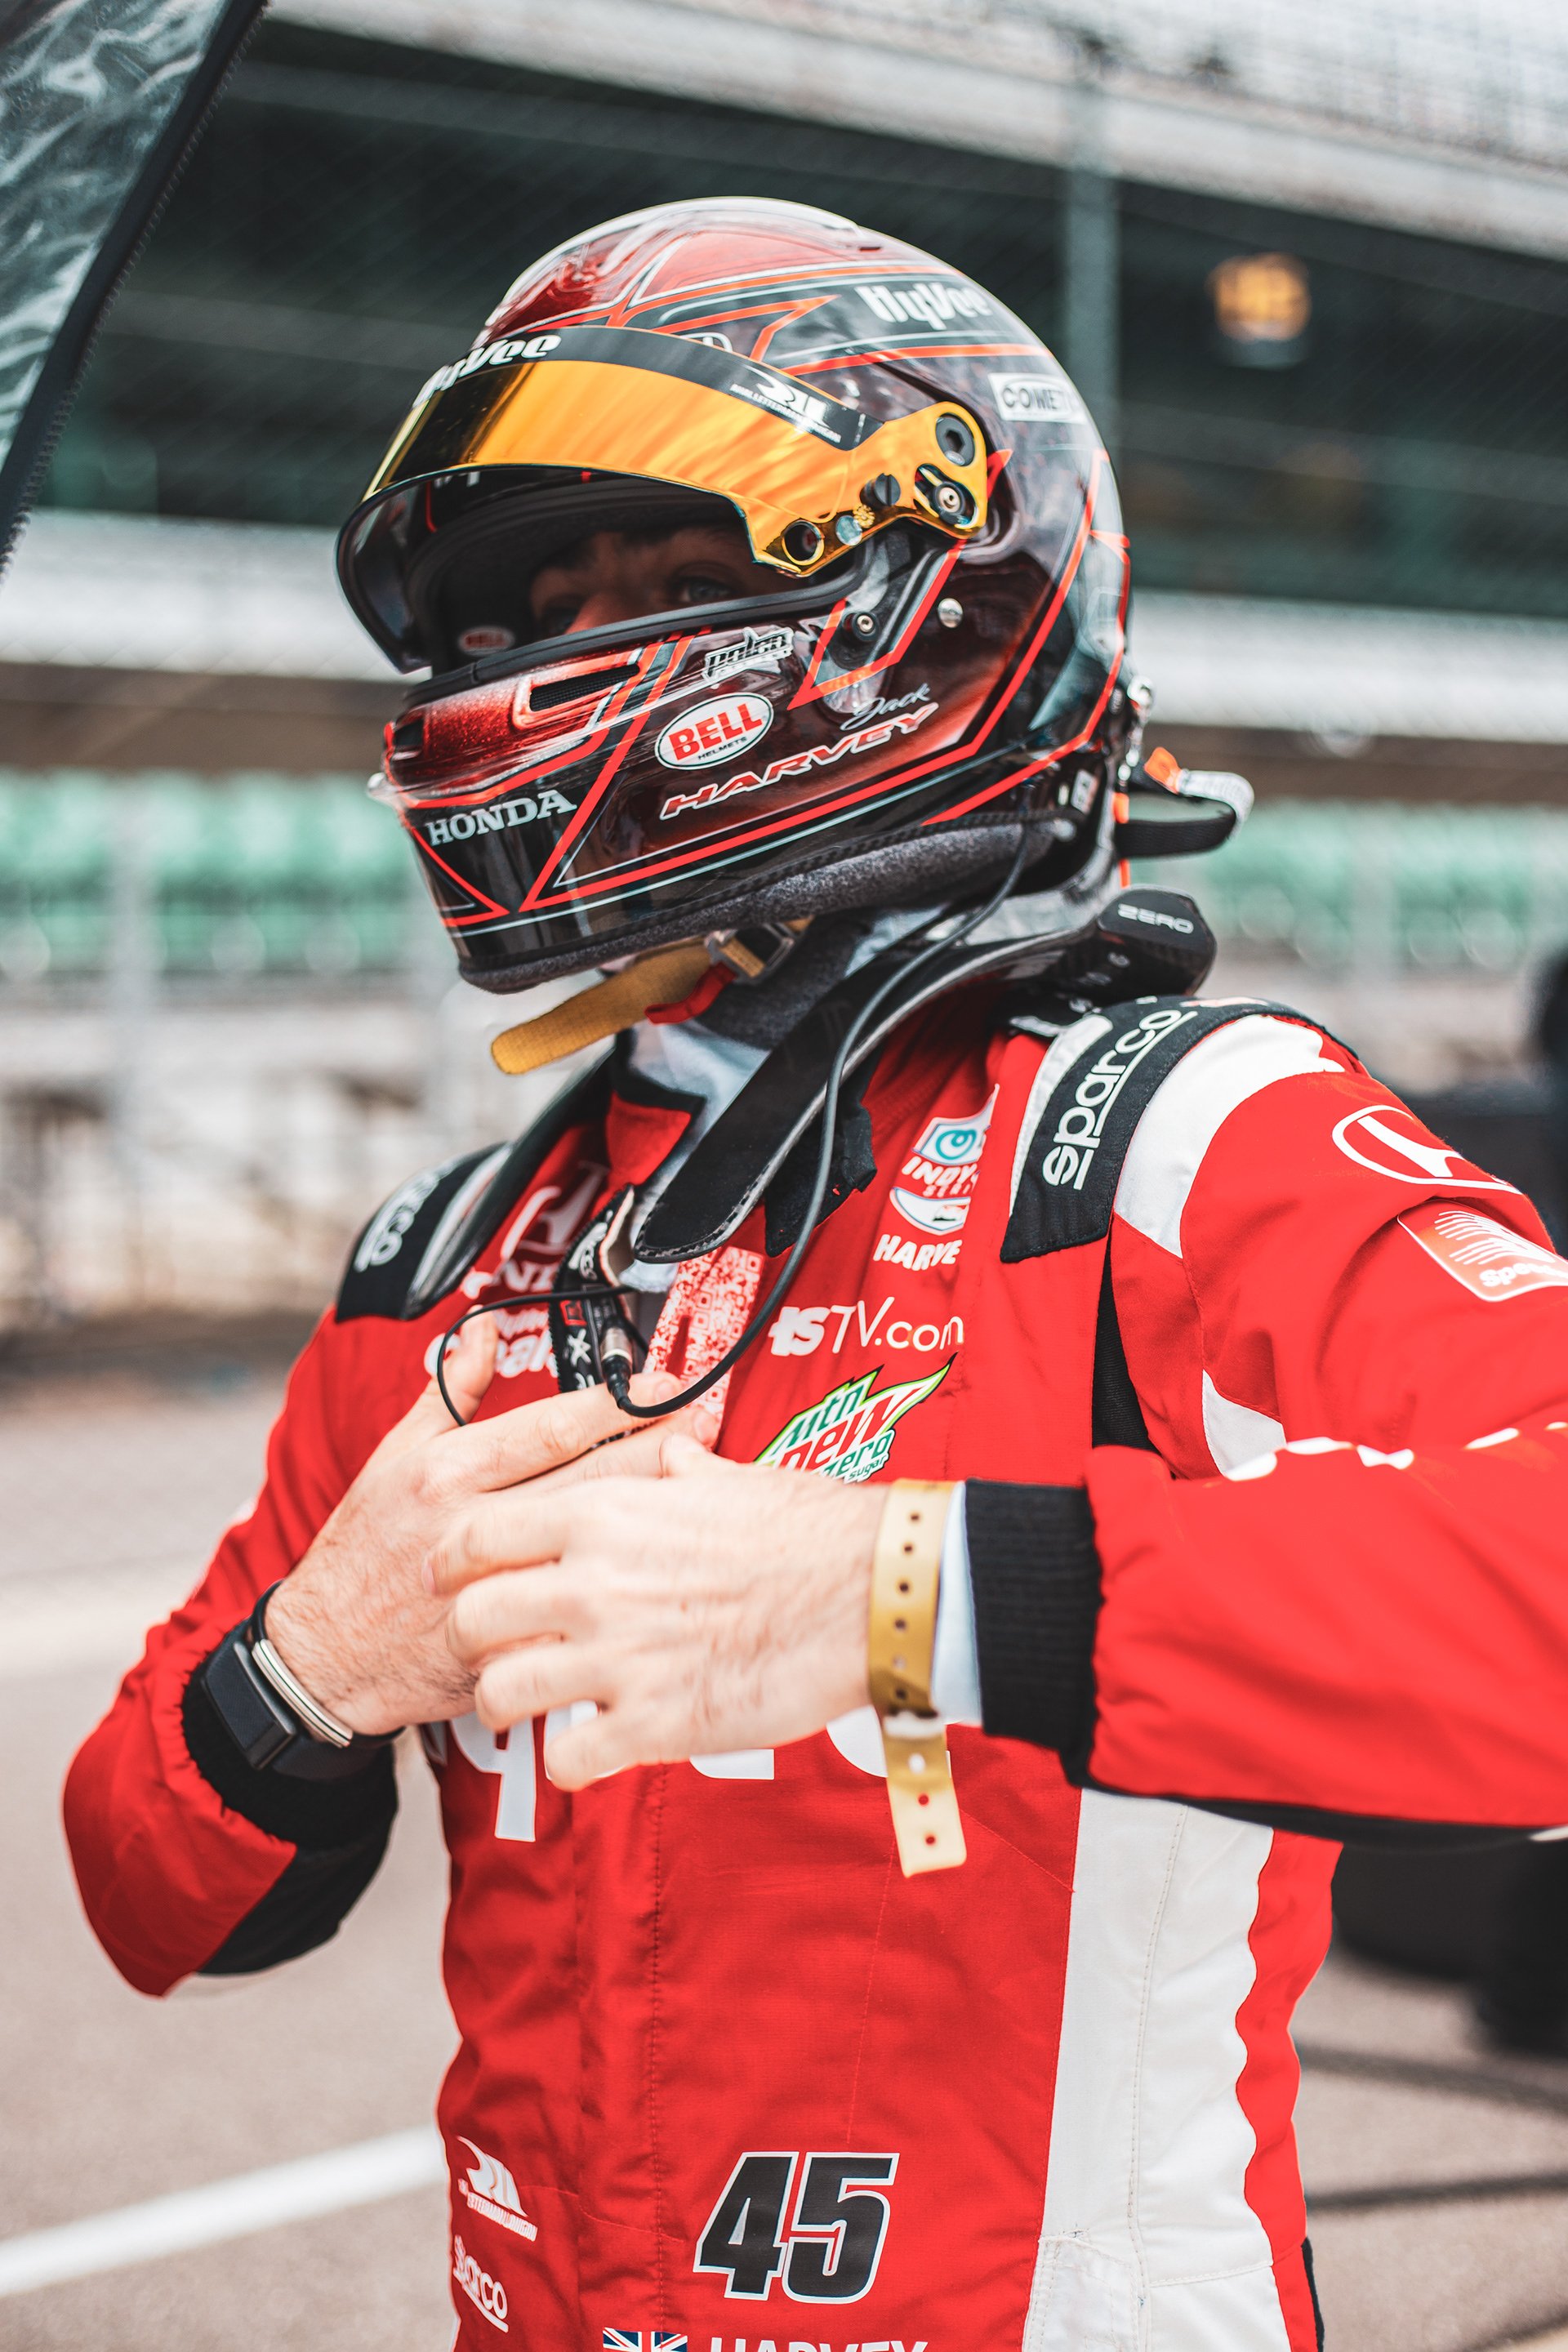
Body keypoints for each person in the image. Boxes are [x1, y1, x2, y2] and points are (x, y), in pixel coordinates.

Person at [66, 198, 1568, 2352]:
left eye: (667, 585)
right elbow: (148, 1901)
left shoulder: (1171, 1137)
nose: (567, 656)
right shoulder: (454, 1261)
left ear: (930, 595)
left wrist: (896, 1593)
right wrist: (305, 1671)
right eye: (540, 608)